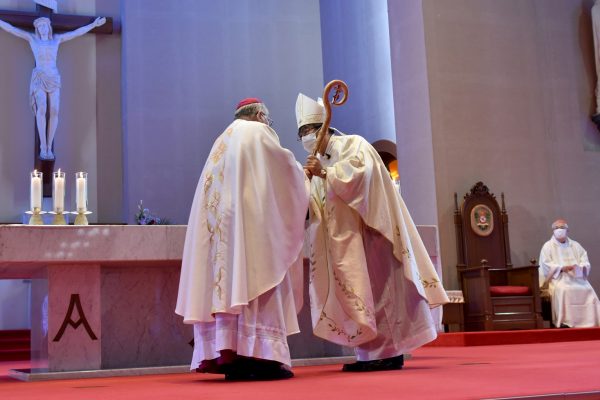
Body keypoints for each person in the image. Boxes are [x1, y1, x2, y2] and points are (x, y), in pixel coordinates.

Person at [296, 93, 448, 372]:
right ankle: (369, 354)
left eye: (309, 130)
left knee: (380, 292)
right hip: (345, 242)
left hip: (371, 233)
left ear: (324, 128)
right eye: (301, 133)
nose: (306, 137)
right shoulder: (316, 161)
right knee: (359, 294)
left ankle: (387, 353)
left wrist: (326, 174)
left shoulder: (353, 144)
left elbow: (363, 177)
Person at [176, 98, 309, 380]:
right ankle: (258, 358)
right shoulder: (258, 132)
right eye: (268, 119)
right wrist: (304, 176)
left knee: (228, 286)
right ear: (260, 115)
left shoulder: (222, 140)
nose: (268, 124)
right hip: (250, 229)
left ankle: (231, 357)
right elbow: (284, 169)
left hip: (224, 229)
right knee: (254, 283)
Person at [0, 16, 106, 159]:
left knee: (55, 112)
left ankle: (49, 146)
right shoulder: (32, 39)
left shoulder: (56, 39)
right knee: (42, 109)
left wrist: (93, 25)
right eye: (39, 27)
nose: (42, 28)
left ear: (49, 27)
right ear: (37, 29)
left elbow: (76, 33)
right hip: (39, 78)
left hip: (54, 78)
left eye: (44, 25)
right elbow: (12, 29)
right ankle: (43, 147)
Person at [539, 219, 600, 328]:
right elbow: (545, 264)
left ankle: (591, 321)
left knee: (588, 290)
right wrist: (562, 268)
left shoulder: (576, 245)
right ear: (553, 230)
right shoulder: (547, 246)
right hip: (558, 278)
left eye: (562, 227)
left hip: (577, 277)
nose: (559, 230)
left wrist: (579, 267)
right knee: (564, 290)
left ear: (567, 230)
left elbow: (584, 260)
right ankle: (566, 322)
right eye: (556, 228)